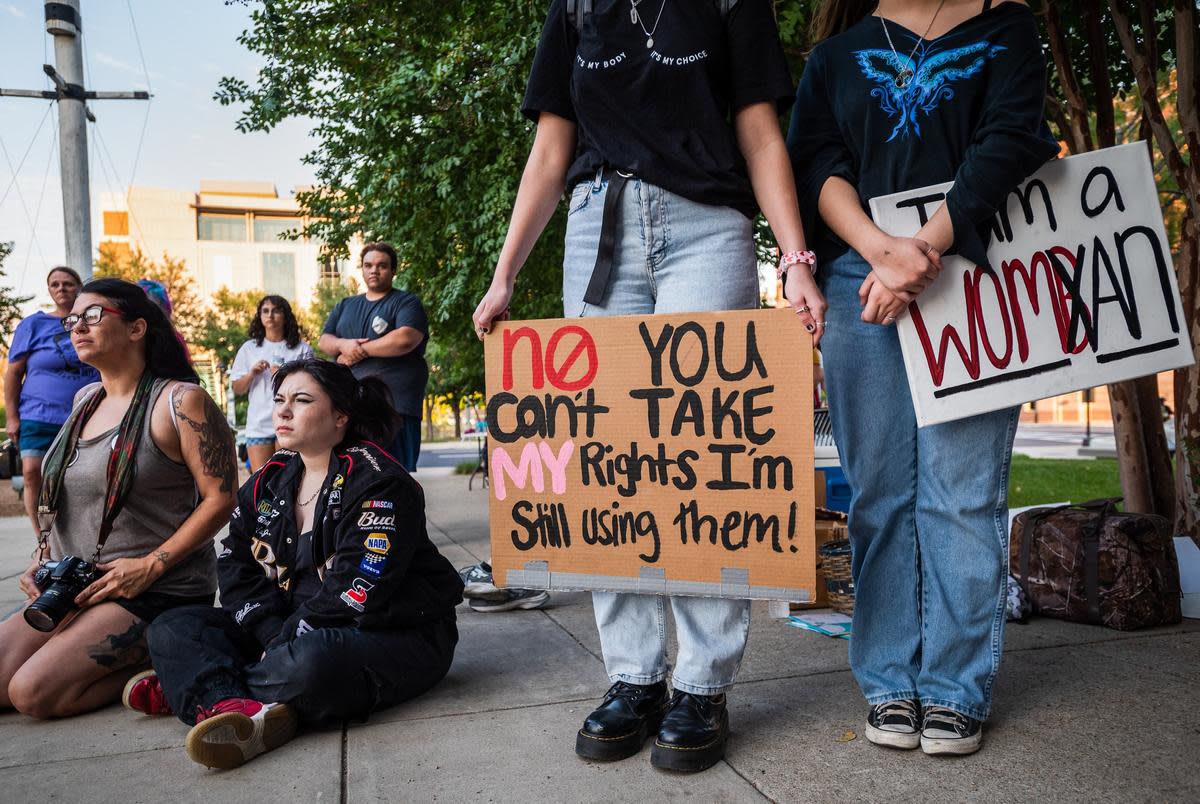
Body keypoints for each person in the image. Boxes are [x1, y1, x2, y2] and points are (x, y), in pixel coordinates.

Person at [471, 0, 826, 773]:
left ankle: (702, 685)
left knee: (698, 452)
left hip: (706, 225)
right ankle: (633, 677)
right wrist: (505, 277)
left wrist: (794, 261)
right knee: (605, 462)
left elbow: (760, 131)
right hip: (598, 229)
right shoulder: (575, 8)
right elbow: (550, 151)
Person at [788, 0, 1059, 756]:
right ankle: (888, 680)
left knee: (962, 494)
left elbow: (1009, 145)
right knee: (878, 493)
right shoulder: (835, 56)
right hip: (858, 283)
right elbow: (816, 164)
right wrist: (881, 251)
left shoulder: (1006, 29)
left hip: (977, 275)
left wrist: (923, 253)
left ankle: (954, 689)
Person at [125, 358, 463, 770]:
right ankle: (235, 703)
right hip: (283, 630)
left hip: (386, 632)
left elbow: (354, 593)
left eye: (301, 400)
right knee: (173, 628)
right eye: (280, 399)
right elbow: (233, 564)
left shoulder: (380, 483)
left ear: (341, 416)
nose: (282, 411)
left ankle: (203, 689)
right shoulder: (272, 476)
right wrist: (272, 637)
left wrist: (282, 643)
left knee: (312, 663)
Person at [0, 278, 235, 718]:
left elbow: (221, 499)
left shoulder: (181, 402)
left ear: (136, 328)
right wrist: (44, 555)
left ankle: (163, 661)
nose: (77, 326)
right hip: (77, 586)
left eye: (93, 315)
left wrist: (150, 565)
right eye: (72, 319)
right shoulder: (85, 398)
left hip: (154, 591)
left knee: (31, 693)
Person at [4, 267, 100, 536]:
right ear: (49, 290)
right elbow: (13, 373)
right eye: (55, 284)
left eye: (68, 284)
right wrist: (12, 416)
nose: (61, 289)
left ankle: (79, 533)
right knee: (33, 472)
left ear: (79, 287)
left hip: (84, 415)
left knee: (80, 477)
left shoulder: (93, 323)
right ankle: (42, 538)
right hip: (38, 414)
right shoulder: (33, 325)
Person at [319, 242, 429, 471]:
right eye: (368, 265)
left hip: (394, 408)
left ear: (393, 270)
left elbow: (406, 338)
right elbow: (324, 341)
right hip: (349, 407)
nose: (374, 270)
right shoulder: (346, 305)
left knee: (393, 475)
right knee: (350, 475)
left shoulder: (406, 302)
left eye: (382, 265)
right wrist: (343, 344)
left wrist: (359, 351)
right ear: (362, 269)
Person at [231, 295, 314, 471]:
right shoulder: (249, 348)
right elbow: (237, 389)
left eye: (276, 310)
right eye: (265, 311)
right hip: (259, 424)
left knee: (290, 480)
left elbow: (311, 388)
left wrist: (285, 375)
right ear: (259, 316)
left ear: (286, 316)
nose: (270, 315)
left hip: (292, 421)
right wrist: (252, 373)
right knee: (261, 482)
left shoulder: (302, 349)